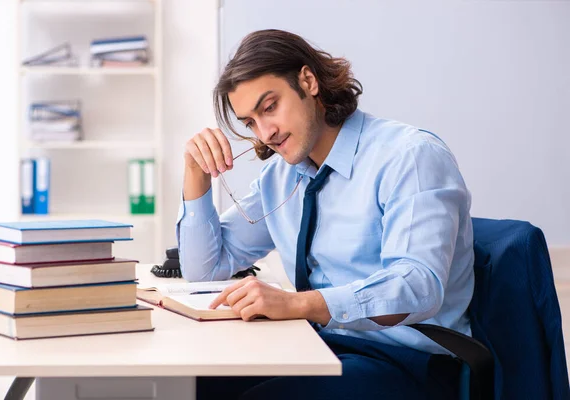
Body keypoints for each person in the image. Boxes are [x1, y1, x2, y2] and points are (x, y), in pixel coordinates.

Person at [176, 29, 474, 399]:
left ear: (308, 81)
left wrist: (297, 303)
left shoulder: (409, 156)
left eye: (270, 107)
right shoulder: (282, 176)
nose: (265, 132)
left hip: (407, 361)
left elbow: (417, 286)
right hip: (322, 346)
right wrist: (195, 175)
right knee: (196, 383)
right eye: (250, 122)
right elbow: (204, 268)